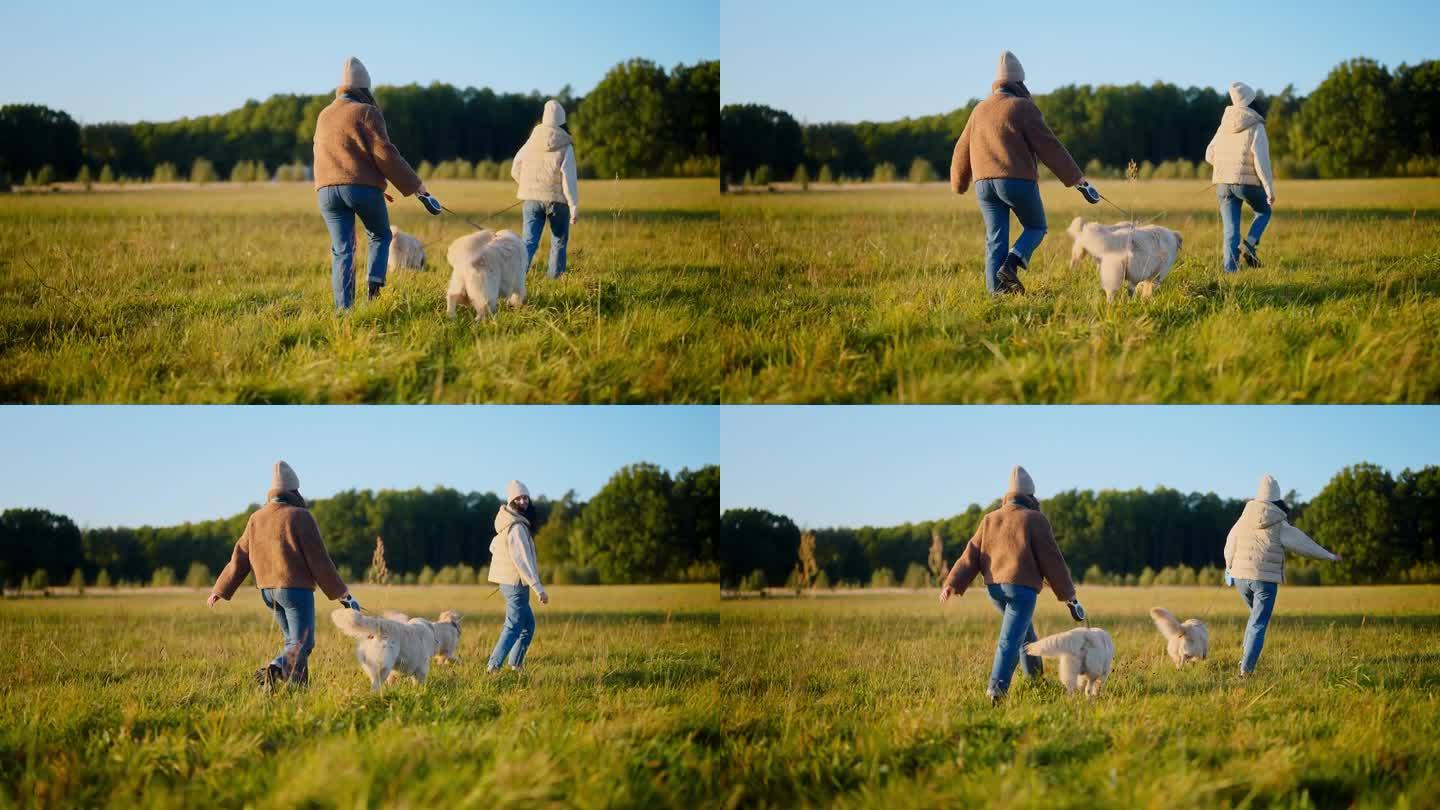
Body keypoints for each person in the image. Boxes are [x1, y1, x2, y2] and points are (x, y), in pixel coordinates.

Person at [950, 51, 1102, 294]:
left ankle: (997, 294)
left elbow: (961, 148)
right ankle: (1011, 265)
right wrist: (1079, 181)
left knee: (995, 238)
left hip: (983, 186)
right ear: (1019, 82)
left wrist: (958, 183)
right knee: (1036, 226)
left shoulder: (979, 110)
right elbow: (1050, 146)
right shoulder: (1023, 107)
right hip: (1016, 180)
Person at [939, 465, 1084, 704]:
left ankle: (1035, 681)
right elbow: (1053, 561)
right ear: (1030, 496)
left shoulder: (990, 519)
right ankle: (996, 691)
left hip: (995, 590)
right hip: (1021, 591)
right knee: (1010, 640)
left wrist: (951, 582)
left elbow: (971, 553)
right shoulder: (1035, 519)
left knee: (1024, 633)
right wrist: (1070, 597)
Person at [208, 461, 359, 688]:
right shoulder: (300, 516)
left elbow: (239, 556)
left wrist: (220, 589)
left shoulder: (256, 518)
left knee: (292, 642)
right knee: (303, 643)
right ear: (294, 490)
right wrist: (343, 595)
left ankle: (298, 689)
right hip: (295, 591)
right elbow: (320, 562)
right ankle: (276, 667)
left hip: (267, 592)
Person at [312, 56, 429, 309]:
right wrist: (416, 186)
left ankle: (344, 310)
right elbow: (385, 154)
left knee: (342, 250)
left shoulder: (324, 114)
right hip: (360, 189)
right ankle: (373, 293)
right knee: (380, 235)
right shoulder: (366, 111)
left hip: (325, 192)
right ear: (364, 88)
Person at [1223, 474, 1341, 676]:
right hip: (1265, 582)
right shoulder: (1279, 523)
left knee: (1254, 620)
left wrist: (1228, 567)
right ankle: (1246, 671)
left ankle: (1245, 659)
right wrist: (1330, 556)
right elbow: (1304, 545)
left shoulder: (1242, 519)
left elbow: (1230, 544)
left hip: (1241, 578)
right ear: (1277, 499)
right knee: (1258, 623)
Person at [1204, 81, 1276, 272]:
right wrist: (1269, 188)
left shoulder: (1223, 126)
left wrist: (1226, 166)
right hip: (1247, 184)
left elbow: (1209, 154)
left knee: (1230, 231)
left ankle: (1230, 272)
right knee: (1264, 211)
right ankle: (1249, 245)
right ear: (1252, 101)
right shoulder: (1256, 125)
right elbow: (1261, 161)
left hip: (1222, 184)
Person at [511, 100, 579, 279]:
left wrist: (528, 186)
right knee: (559, 241)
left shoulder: (531, 142)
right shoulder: (566, 145)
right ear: (563, 121)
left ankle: (516, 278)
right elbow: (568, 179)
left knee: (528, 242)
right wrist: (573, 207)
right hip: (558, 202)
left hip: (531, 200)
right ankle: (554, 280)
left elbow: (515, 167)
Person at [487, 479, 550, 672]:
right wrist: (538, 587)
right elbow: (523, 561)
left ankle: (516, 663)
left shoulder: (508, 522)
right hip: (516, 584)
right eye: (519, 498)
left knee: (527, 625)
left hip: (509, 583)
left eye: (526, 498)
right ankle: (493, 667)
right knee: (514, 626)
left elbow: (493, 547)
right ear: (511, 500)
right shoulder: (516, 527)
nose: (523, 501)